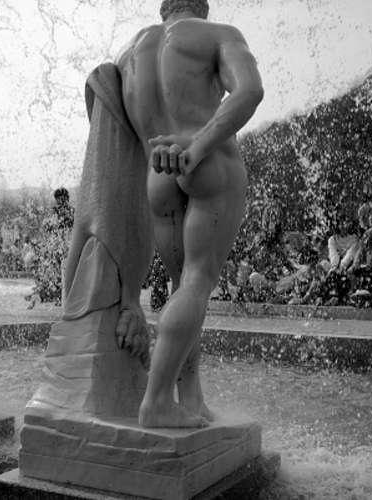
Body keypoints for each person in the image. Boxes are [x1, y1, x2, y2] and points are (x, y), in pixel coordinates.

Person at [116, 0, 263, 427]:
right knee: (198, 282)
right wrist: (197, 147)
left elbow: (113, 131)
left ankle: (191, 397)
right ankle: (157, 401)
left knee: (181, 285)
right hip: (206, 159)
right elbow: (250, 91)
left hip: (156, 172)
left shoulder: (128, 54)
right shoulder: (219, 35)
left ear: (165, 8)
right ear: (201, 5)